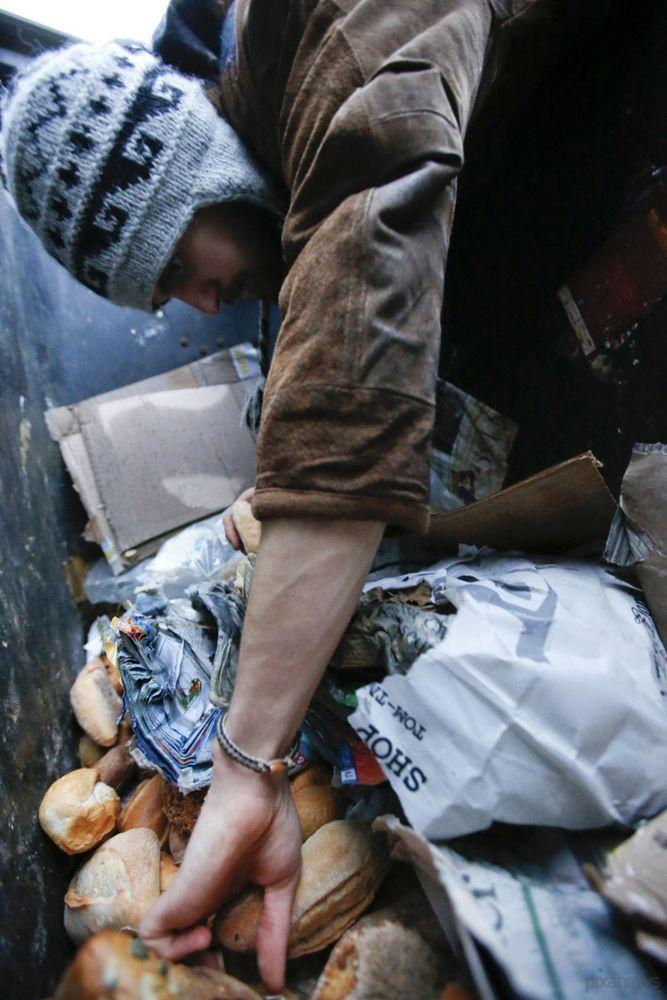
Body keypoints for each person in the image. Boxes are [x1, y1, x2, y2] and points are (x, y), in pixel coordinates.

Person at [0, 0, 608, 990]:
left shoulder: (339, 33)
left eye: (175, 268)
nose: (200, 304)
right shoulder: (282, 185)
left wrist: (248, 763)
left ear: (191, 173)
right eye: (165, 299)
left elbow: (348, 359)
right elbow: (321, 335)